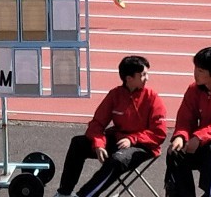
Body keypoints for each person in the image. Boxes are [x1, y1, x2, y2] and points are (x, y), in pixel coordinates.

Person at [53, 55, 167, 197]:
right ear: (129, 78)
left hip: (144, 145)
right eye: (143, 75)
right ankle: (63, 193)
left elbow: (159, 133)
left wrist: (133, 139)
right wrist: (98, 144)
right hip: (119, 140)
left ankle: (85, 195)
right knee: (78, 143)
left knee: (117, 160)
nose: (147, 78)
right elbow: (97, 123)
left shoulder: (152, 98)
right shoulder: (115, 95)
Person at [164, 47, 211, 197]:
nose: (195, 73)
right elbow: (185, 117)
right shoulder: (194, 89)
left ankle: (210, 194)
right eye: (195, 68)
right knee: (175, 152)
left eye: (201, 70)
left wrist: (199, 137)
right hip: (203, 143)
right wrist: (181, 136)